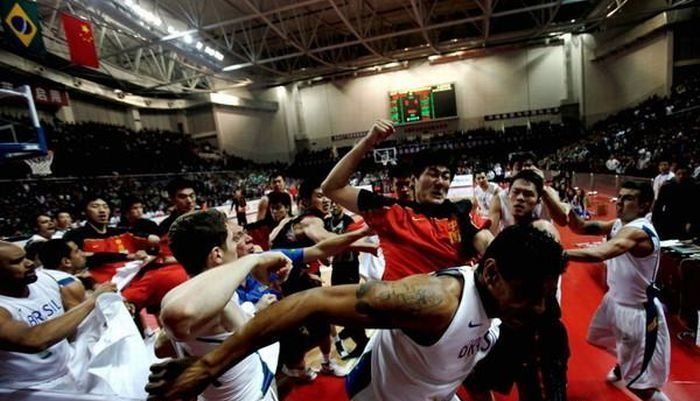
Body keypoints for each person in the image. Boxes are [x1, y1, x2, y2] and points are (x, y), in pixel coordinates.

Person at [145, 225, 567, 401]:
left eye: (546, 296)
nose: (538, 308)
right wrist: (204, 370)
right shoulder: (435, 301)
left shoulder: (501, 304)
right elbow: (310, 302)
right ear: (491, 273)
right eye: (530, 294)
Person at [158, 210, 372, 401]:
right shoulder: (213, 303)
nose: (244, 242)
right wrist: (252, 261)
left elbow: (161, 347)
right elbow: (178, 316)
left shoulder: (195, 293)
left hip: (247, 380)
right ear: (217, 254)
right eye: (234, 239)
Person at [321, 119, 493, 281]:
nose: (440, 181)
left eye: (446, 176)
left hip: (451, 307)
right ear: (414, 179)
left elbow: (485, 242)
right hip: (401, 306)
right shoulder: (390, 211)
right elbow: (331, 188)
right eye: (433, 174)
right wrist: (368, 142)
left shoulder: (461, 213)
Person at [465, 170, 568, 401]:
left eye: (528, 195)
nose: (521, 198)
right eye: (516, 193)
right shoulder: (508, 232)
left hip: (539, 331)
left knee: (540, 394)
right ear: (507, 195)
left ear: (537, 200)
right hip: (511, 325)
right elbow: (487, 234)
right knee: (472, 377)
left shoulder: (543, 229)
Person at [566, 181, 672, 401]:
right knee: (597, 337)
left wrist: (555, 253)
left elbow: (600, 253)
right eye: (620, 197)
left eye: (628, 198)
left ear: (644, 206)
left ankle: (632, 370)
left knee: (638, 386)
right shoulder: (619, 223)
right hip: (613, 301)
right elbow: (582, 227)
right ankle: (625, 362)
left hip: (639, 312)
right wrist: (561, 205)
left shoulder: (639, 232)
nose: (620, 203)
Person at [0, 241, 116, 391]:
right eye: (17, 262)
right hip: (27, 387)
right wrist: (92, 301)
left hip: (69, 371)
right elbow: (33, 339)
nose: (29, 263)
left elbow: (74, 317)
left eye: (26, 257)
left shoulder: (46, 280)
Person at [37, 239, 90, 309]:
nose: (83, 254)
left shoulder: (38, 273)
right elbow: (82, 316)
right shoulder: (69, 283)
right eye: (77, 251)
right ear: (66, 262)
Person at [652, 165, 698, 240]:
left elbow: (696, 207)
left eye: (684, 174)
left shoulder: (693, 187)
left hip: (685, 221)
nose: (681, 176)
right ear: (675, 174)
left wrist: (691, 222)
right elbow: (658, 206)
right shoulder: (667, 186)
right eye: (678, 174)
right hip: (669, 220)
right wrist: (656, 223)